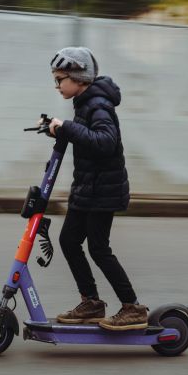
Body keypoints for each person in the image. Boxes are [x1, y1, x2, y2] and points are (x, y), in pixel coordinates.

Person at [45, 46, 148, 331]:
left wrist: (66, 127)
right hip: (87, 189)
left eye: (59, 79)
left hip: (103, 191)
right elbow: (85, 137)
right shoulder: (84, 103)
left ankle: (132, 307)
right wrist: (56, 128)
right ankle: (91, 302)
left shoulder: (99, 105)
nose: (57, 86)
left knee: (99, 249)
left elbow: (104, 141)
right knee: (68, 241)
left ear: (78, 78)